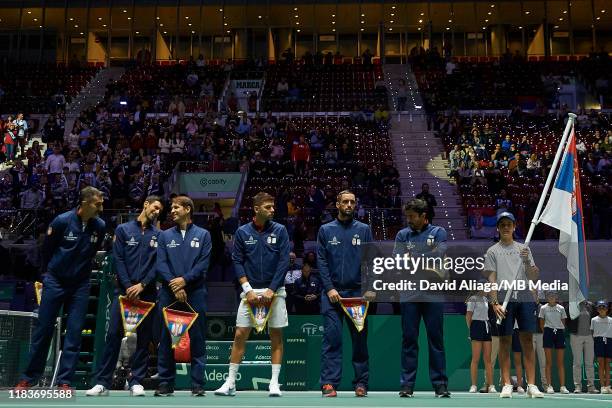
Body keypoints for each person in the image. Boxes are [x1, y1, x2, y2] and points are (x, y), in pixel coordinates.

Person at [15, 187, 106, 390]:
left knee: (74, 333)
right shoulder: (62, 221)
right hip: (55, 281)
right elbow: (46, 249)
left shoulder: (99, 226)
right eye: (97, 203)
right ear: (84, 203)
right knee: (43, 330)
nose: (101, 207)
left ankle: (64, 381)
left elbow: (92, 252)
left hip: (80, 285)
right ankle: (29, 378)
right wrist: (46, 275)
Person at [86, 196, 164, 397]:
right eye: (155, 208)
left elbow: (158, 265)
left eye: (160, 211)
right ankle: (103, 381)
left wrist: (143, 284)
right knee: (113, 335)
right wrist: (129, 285)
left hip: (146, 293)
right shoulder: (123, 230)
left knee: (144, 338)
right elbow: (118, 259)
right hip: (123, 292)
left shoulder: (159, 235)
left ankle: (136, 380)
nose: (157, 212)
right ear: (146, 204)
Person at [215, 192, 290, 397]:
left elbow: (284, 261)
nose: (272, 210)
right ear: (256, 209)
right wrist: (247, 289)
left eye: (273, 206)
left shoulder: (281, 230)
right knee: (240, 334)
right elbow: (237, 261)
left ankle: (274, 383)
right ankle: (230, 383)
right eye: (268, 207)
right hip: (249, 292)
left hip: (275, 291)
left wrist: (272, 289)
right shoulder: (242, 232)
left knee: (276, 334)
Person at [317, 190, 374, 397]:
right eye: (345, 202)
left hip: (358, 295)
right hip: (332, 295)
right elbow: (321, 261)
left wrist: (370, 287)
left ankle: (361, 383)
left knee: (359, 341)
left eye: (352, 202)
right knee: (332, 340)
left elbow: (371, 260)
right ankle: (329, 383)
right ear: (338, 204)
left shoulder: (364, 229)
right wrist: (329, 288)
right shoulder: (325, 230)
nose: (349, 205)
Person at [155, 195, 211, 396]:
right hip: (169, 294)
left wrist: (185, 281)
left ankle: (197, 384)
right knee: (167, 337)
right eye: (172, 208)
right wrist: (176, 286)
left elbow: (203, 264)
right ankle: (165, 383)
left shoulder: (204, 235)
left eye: (176, 207)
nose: (172, 211)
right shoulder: (164, 235)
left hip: (195, 293)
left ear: (188, 209)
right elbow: (161, 264)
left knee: (197, 339)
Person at [394, 198, 450, 398]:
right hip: (409, 294)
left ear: (423, 216)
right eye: (407, 216)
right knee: (409, 340)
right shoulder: (402, 235)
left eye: (412, 216)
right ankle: (407, 385)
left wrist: (414, 258)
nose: (408, 220)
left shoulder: (438, 232)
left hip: (433, 294)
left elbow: (440, 255)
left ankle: (440, 385)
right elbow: (399, 262)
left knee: (436, 340)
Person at [485, 211, 544, 398]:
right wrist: (494, 303)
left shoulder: (523, 249)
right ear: (498, 228)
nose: (505, 227)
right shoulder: (492, 251)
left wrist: (526, 260)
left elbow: (534, 275)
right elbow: (491, 279)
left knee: (527, 340)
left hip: (524, 296)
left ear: (514, 226)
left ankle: (532, 385)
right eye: (502, 224)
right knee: (505, 340)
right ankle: (507, 384)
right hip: (503, 299)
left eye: (508, 224)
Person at [539, 292, 569, 394]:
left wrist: (558, 328)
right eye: (549, 296)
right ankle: (549, 386)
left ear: (556, 297)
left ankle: (562, 386)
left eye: (553, 296)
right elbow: (541, 322)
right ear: (547, 298)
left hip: (559, 332)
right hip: (548, 332)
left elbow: (563, 321)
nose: (551, 298)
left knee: (560, 362)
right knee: (548, 362)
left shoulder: (561, 308)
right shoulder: (543, 308)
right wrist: (547, 331)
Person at [466, 289, 494, 393]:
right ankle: (473, 385)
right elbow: (468, 315)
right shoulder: (472, 299)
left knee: (488, 358)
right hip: (476, 326)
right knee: (475, 358)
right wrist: (471, 331)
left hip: (486, 326)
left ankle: (491, 385)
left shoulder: (486, 299)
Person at [568, 300, 597, 393]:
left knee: (589, 362)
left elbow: (595, 319)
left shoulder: (591, 305)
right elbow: (567, 319)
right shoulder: (572, 305)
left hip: (589, 336)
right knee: (577, 362)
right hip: (576, 336)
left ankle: (591, 387)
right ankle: (577, 387)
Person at [592, 300, 612, 394]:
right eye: (600, 307)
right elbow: (592, 332)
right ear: (597, 309)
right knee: (601, 364)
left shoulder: (611, 320)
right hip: (598, 341)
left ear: (607, 309)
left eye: (603, 307)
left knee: (608, 364)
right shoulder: (594, 320)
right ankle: (602, 386)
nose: (602, 309)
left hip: (609, 341)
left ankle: (608, 386)